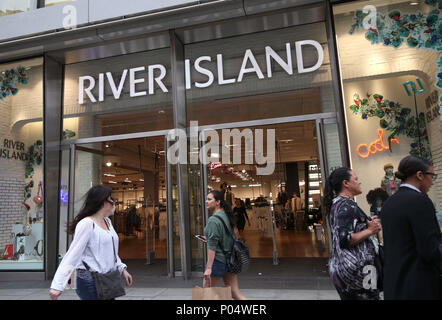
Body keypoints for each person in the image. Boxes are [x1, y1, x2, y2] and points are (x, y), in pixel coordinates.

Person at [49, 185, 133, 300]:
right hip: (89, 280)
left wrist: (122, 269)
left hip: (106, 279)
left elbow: (111, 251)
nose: (114, 202)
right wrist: (58, 285)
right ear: (103, 202)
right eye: (111, 199)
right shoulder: (87, 224)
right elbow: (73, 254)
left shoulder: (107, 222)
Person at [381, 155, 441, 300]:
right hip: (419, 285)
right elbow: (429, 248)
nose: (432, 181)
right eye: (432, 176)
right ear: (420, 175)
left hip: (394, 283)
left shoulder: (389, 203)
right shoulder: (420, 200)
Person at [324, 167, 382, 300]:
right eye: (355, 179)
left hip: (345, 267)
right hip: (358, 270)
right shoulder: (346, 206)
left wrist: (366, 224)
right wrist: (370, 230)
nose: (359, 182)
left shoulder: (337, 204)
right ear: (346, 183)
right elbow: (345, 239)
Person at [203, 190, 246, 300]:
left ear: (218, 202)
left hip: (217, 261)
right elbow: (225, 237)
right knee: (235, 293)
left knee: (206, 293)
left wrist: (208, 268)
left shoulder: (213, 220)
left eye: (209, 199)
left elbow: (212, 247)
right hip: (229, 259)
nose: (206, 201)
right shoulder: (226, 215)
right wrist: (209, 239)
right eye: (206, 199)